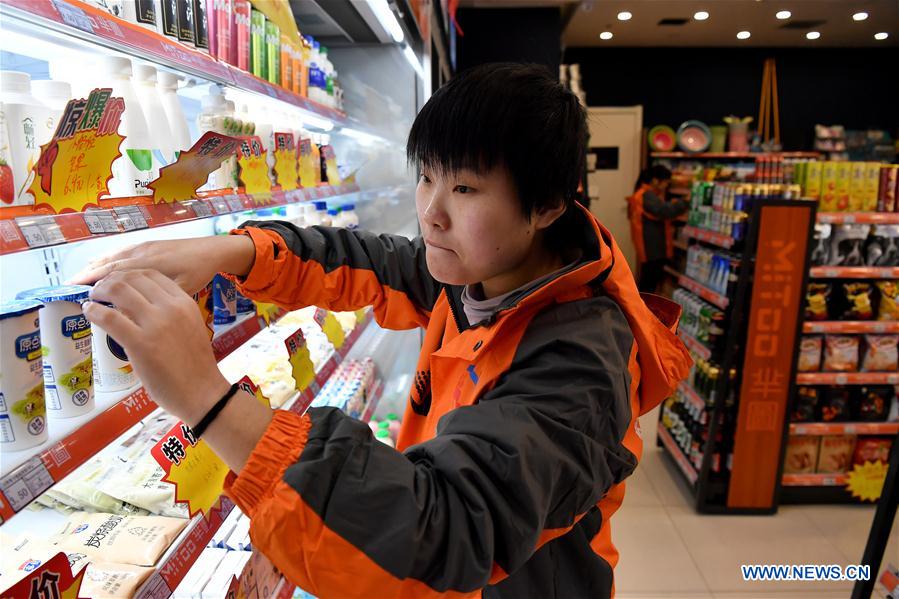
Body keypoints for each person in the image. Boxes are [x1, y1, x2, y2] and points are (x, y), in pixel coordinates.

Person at [72, 63, 691, 598]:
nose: (431, 213)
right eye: (427, 177)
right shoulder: (479, 277)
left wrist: (206, 399)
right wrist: (231, 252)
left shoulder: (580, 366)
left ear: (549, 206)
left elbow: (444, 532)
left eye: (466, 188)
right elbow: (366, 260)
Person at [627, 164, 689, 293]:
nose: (666, 186)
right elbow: (664, 211)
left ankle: (642, 308)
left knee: (648, 280)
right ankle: (643, 310)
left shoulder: (645, 193)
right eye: (666, 182)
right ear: (655, 181)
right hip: (652, 247)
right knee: (649, 282)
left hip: (649, 246)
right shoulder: (647, 195)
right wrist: (685, 202)